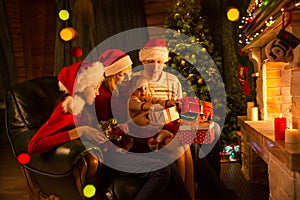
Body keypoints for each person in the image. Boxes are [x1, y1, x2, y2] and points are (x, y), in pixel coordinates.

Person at [28, 57, 191, 200]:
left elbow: (108, 130)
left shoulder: (90, 106)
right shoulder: (67, 110)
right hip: (107, 162)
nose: (98, 92)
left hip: (117, 154)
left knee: (167, 165)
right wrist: (79, 131)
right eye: (96, 86)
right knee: (161, 171)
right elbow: (34, 146)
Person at [135, 38, 239, 200]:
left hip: (175, 126)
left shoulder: (173, 80)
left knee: (212, 131)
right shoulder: (137, 81)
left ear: (164, 61)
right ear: (142, 61)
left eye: (159, 61)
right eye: (150, 61)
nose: (155, 66)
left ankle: (208, 190)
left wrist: (195, 117)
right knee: (193, 148)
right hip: (152, 132)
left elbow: (181, 109)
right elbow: (137, 113)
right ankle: (219, 193)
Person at [95, 49, 192, 200]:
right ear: (111, 76)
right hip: (112, 156)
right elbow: (103, 133)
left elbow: (149, 102)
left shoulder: (122, 92)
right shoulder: (101, 97)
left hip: (130, 147)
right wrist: (133, 123)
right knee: (162, 170)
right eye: (122, 74)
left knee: (170, 164)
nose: (128, 78)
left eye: (128, 73)